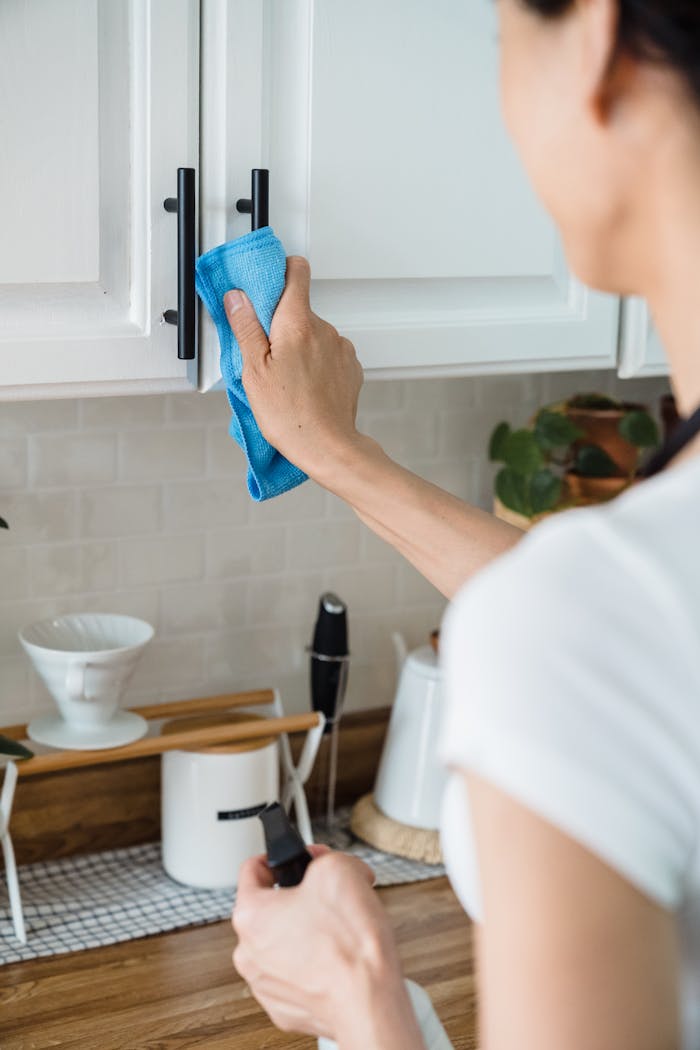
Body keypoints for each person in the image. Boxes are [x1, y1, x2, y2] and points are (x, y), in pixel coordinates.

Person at [227, 1, 700, 1047]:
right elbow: (625, 630)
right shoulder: (611, 602)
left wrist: (355, 992)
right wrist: (335, 452)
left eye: (503, 45)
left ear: (595, 45)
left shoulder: (587, 618)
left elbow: (599, 629)